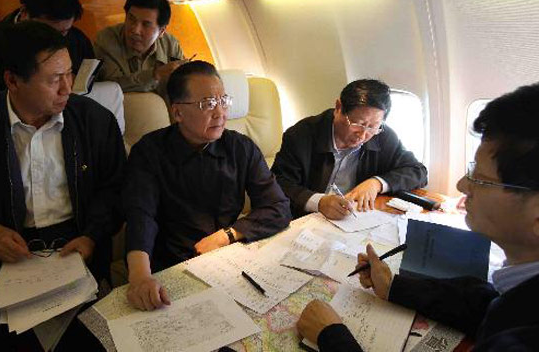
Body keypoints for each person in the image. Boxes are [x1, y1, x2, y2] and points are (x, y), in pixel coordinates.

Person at [297, 84, 539, 351]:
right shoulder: (516, 296)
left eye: (481, 179)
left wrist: (331, 336)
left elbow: (416, 170)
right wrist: (393, 287)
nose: (461, 185)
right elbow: (488, 304)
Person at [0, 21, 126, 350]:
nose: (67, 88)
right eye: (54, 79)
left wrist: (93, 235)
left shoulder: (95, 122)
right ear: (12, 80)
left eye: (70, 74)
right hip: (5, 255)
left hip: (79, 250)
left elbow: (115, 189)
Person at [124, 60, 291, 311]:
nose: (220, 113)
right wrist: (140, 276)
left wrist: (227, 236)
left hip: (227, 258)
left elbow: (278, 206)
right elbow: (141, 216)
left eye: (223, 101)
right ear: (177, 113)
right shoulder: (149, 152)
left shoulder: (240, 147)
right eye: (208, 104)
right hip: (172, 266)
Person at [271, 79, 427, 219]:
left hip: (353, 218)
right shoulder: (301, 135)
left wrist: (376, 183)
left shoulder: (382, 136)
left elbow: (417, 171)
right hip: (307, 219)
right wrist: (318, 202)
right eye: (358, 123)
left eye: (373, 127)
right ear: (338, 108)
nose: (363, 135)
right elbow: (279, 183)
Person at [94, 0, 186, 96]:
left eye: (146, 24)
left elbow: (181, 87)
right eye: (131, 19)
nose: (135, 30)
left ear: (161, 31)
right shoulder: (106, 39)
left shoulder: (171, 45)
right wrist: (155, 75)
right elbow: (112, 86)